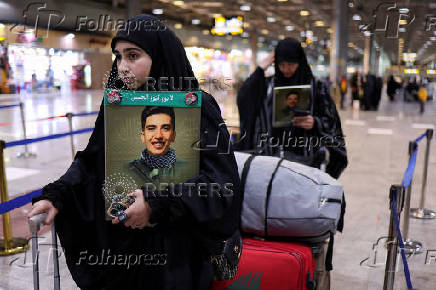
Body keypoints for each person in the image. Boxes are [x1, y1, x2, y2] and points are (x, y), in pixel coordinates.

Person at [28, 14, 241, 290]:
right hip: (120, 254)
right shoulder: (115, 106)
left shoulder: (197, 107)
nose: (122, 67)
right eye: (118, 57)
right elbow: (93, 161)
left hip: (176, 257)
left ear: (160, 55)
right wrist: (57, 196)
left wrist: (155, 204)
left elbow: (220, 185)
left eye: (133, 56)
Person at [236, 37, 347, 179]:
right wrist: (260, 68)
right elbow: (244, 98)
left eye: (291, 64)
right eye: (281, 65)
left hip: (306, 161)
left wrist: (315, 123)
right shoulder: (268, 86)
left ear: (299, 62)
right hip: (271, 160)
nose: (286, 69)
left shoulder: (317, 88)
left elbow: (331, 121)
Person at [129, 106, 178, 184]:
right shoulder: (128, 169)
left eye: (165, 128)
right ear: (143, 136)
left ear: (173, 136)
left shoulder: (188, 168)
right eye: (151, 128)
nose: (158, 136)